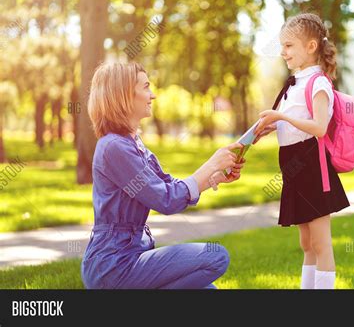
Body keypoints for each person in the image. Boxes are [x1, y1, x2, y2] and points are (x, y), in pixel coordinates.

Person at [81, 61, 245, 289]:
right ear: (124, 95)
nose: (153, 95)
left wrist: (213, 177)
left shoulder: (134, 145)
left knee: (209, 289)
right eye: (146, 87)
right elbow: (165, 200)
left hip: (133, 257)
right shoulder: (113, 147)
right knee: (215, 256)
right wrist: (208, 166)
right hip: (114, 267)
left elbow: (169, 187)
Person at [254, 13, 350, 289]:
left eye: (288, 46)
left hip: (312, 168)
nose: (283, 52)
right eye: (282, 46)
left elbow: (319, 127)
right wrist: (269, 128)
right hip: (293, 167)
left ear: (310, 47)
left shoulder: (318, 83)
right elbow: (294, 126)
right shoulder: (293, 83)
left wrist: (281, 118)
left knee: (321, 243)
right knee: (306, 243)